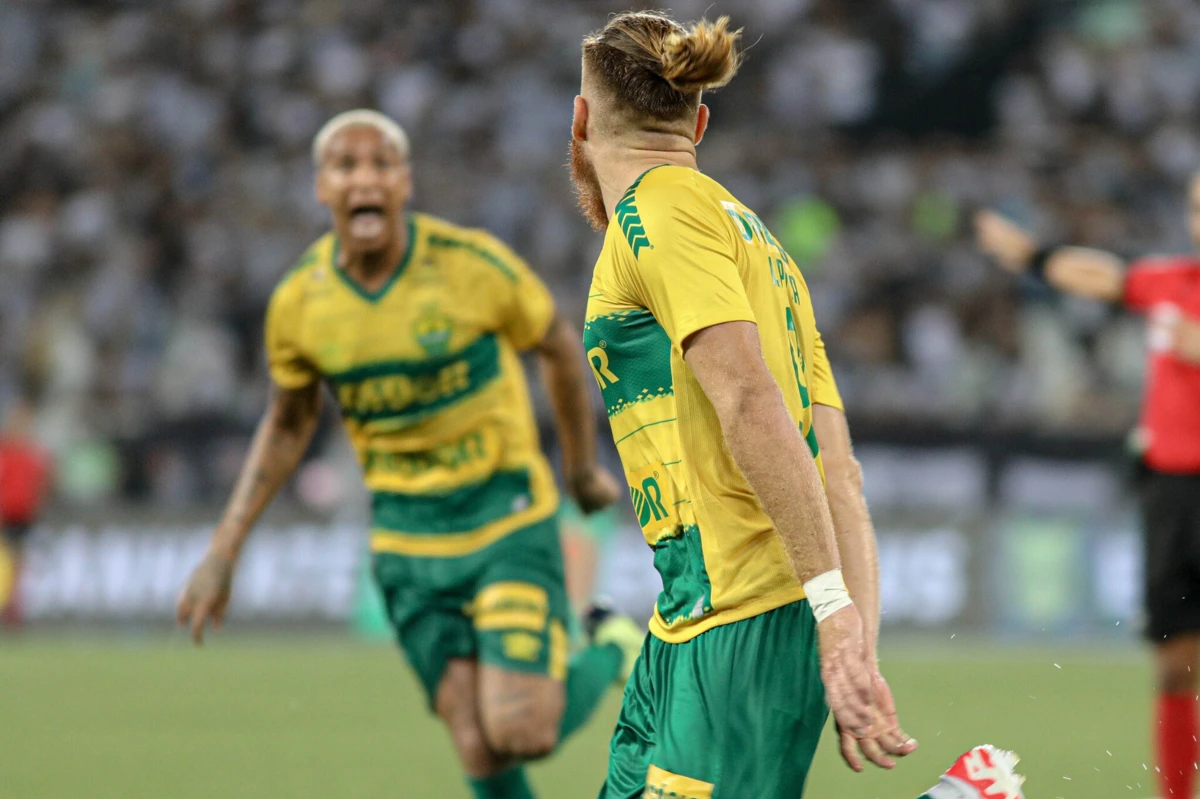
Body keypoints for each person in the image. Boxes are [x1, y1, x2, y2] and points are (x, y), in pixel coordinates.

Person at [570, 10, 1024, 799]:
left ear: (580, 121)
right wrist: (854, 642)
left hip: (746, 612)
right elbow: (839, 469)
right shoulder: (762, 247)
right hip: (687, 615)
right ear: (699, 121)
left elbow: (748, 398)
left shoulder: (659, 214)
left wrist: (831, 608)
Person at [177, 109, 643, 799]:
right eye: (345, 165)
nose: (364, 177)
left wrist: (578, 465)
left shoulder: (470, 265)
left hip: (505, 517)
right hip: (407, 540)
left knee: (521, 730)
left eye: (380, 164)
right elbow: (286, 424)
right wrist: (224, 547)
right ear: (321, 188)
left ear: (404, 182)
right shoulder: (302, 304)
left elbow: (557, 345)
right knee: (477, 745)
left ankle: (612, 648)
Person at [976, 198, 1200, 799]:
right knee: (1175, 662)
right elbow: (1104, 275)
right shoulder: (1173, 282)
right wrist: (1033, 256)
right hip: (1171, 492)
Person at [0, 393, 53, 630]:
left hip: (24, 517)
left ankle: (13, 611)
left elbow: (41, 486)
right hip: (5, 515)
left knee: (18, 564)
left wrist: (37, 507)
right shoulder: (6, 453)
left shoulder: (34, 455)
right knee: (8, 563)